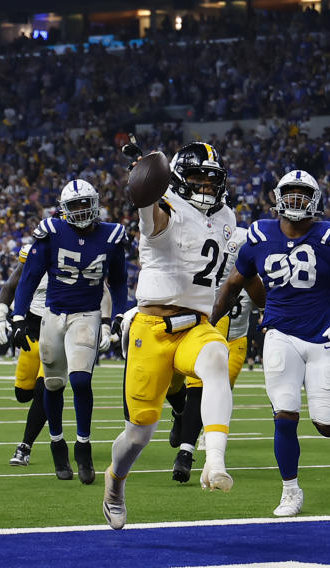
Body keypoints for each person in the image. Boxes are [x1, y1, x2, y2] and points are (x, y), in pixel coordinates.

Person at [212, 169, 330, 517]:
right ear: (277, 197)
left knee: (329, 427)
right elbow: (235, 282)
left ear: (314, 200)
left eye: (303, 194)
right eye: (290, 193)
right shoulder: (259, 234)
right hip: (280, 334)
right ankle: (290, 491)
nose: (296, 200)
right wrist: (209, 324)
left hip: (324, 335)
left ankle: (318, 425)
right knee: (285, 415)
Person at [103, 140, 237, 530]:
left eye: (211, 180)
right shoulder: (166, 208)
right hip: (153, 327)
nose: (206, 186)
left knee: (216, 359)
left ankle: (214, 460)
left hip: (195, 325)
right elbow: (149, 208)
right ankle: (115, 481)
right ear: (178, 179)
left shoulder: (227, 215)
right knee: (139, 433)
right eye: (197, 178)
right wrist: (145, 176)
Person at [7, 179, 128, 484]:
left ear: (95, 203)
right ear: (63, 210)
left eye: (85, 203)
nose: (81, 210)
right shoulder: (51, 232)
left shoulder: (111, 236)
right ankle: (57, 443)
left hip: (85, 315)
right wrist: (18, 315)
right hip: (53, 315)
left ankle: (83, 446)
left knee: (81, 381)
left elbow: (119, 280)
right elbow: (29, 278)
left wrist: (115, 315)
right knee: (53, 384)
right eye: (74, 205)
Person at [168, 223, 258, 483]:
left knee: (214, 392)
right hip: (204, 333)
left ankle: (189, 451)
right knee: (179, 387)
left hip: (235, 339)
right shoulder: (206, 276)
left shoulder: (251, 277)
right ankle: (181, 422)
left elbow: (264, 301)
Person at [0, 241, 50, 467]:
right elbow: (10, 285)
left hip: (60, 328)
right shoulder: (34, 251)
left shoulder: (81, 252)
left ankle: (25, 446)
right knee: (23, 394)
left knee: (44, 390)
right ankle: (50, 409)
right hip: (32, 328)